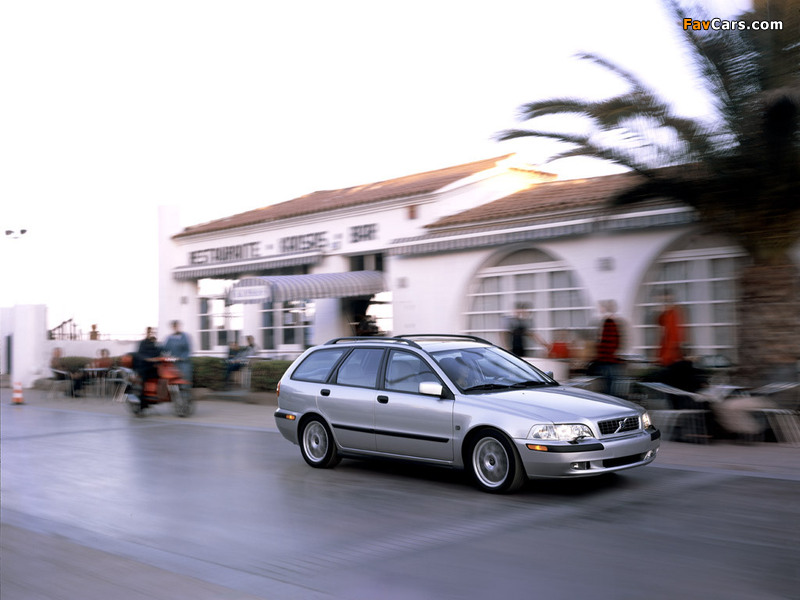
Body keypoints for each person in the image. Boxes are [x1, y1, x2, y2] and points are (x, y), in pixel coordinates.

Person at [592, 300, 623, 395]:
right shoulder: (611, 321)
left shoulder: (609, 321)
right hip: (608, 358)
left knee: (607, 384)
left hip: (607, 358)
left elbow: (607, 340)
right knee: (609, 383)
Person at [657, 289, 684, 367]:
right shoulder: (667, 314)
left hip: (671, 358)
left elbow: (674, 337)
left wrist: (666, 357)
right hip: (668, 356)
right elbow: (661, 322)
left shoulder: (674, 314)